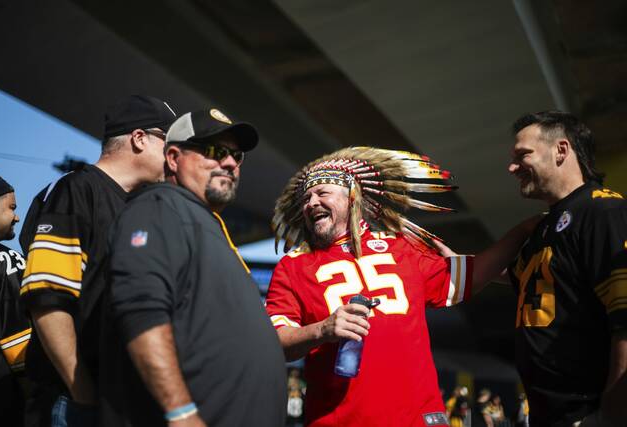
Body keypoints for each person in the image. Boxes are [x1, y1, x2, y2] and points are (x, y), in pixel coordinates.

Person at [265, 147, 538, 427]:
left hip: (419, 419)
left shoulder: (402, 248)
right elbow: (273, 342)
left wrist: (523, 231)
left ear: (353, 196)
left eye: (322, 193)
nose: (311, 203)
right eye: (306, 198)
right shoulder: (293, 266)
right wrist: (323, 329)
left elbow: (474, 274)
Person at [100, 109, 286, 426]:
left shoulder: (206, 226)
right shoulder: (159, 208)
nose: (229, 163)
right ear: (173, 157)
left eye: (236, 156)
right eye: (215, 151)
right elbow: (141, 310)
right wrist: (180, 411)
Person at [19, 95, 177, 427]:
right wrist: (83, 394)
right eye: (170, 143)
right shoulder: (76, 190)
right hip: (71, 403)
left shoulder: (137, 208)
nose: (176, 157)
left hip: (113, 405)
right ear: (138, 139)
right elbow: (47, 300)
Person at [507, 111, 627, 427]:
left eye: (523, 155)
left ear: (561, 150)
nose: (512, 167)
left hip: (587, 416)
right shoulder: (545, 227)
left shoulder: (604, 212)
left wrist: (611, 415)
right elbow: (530, 281)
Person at [0, 174, 31, 427]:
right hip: (0, 402)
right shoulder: (6, 259)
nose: (16, 216)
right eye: (12, 208)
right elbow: (17, 339)